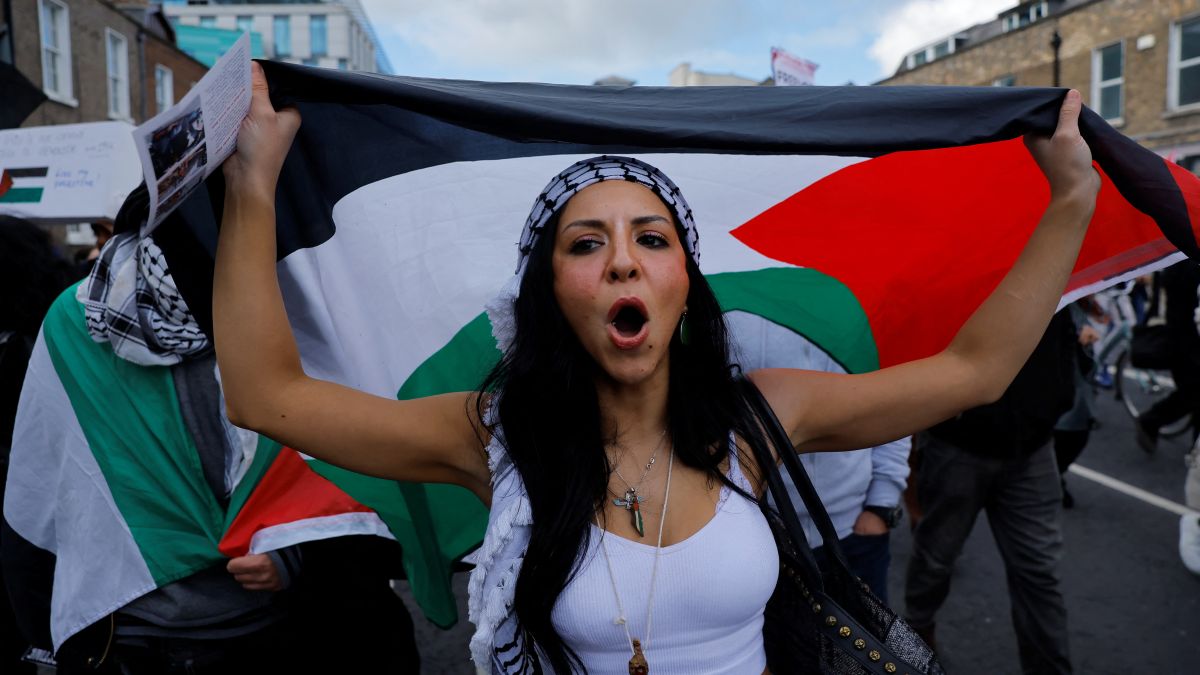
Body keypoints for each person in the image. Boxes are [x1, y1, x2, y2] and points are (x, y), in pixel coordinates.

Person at [214, 63, 1097, 674]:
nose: (624, 263)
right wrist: (255, 185)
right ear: (552, 291)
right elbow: (266, 394)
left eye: (651, 239)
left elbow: (975, 370)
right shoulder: (495, 435)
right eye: (586, 244)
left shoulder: (764, 414)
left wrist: (1070, 202)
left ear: (684, 284)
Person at [904, 312, 1078, 674]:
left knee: (1039, 572)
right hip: (959, 445)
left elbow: (1063, 332)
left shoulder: (1049, 260)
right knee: (936, 558)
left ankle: (1050, 669)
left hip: (1032, 447)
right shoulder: (961, 264)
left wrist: (1054, 402)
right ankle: (915, 635)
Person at [726, 313, 910, 601]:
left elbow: (895, 397)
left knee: (866, 644)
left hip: (852, 532)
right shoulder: (726, 285)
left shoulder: (856, 295)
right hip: (752, 534)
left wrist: (881, 505)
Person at [1136, 261, 1200, 451]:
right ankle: (1151, 421)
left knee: (1193, 392)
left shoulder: (1185, 260)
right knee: (1193, 391)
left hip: (1183, 335)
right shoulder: (1187, 263)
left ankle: (1152, 421)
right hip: (1184, 339)